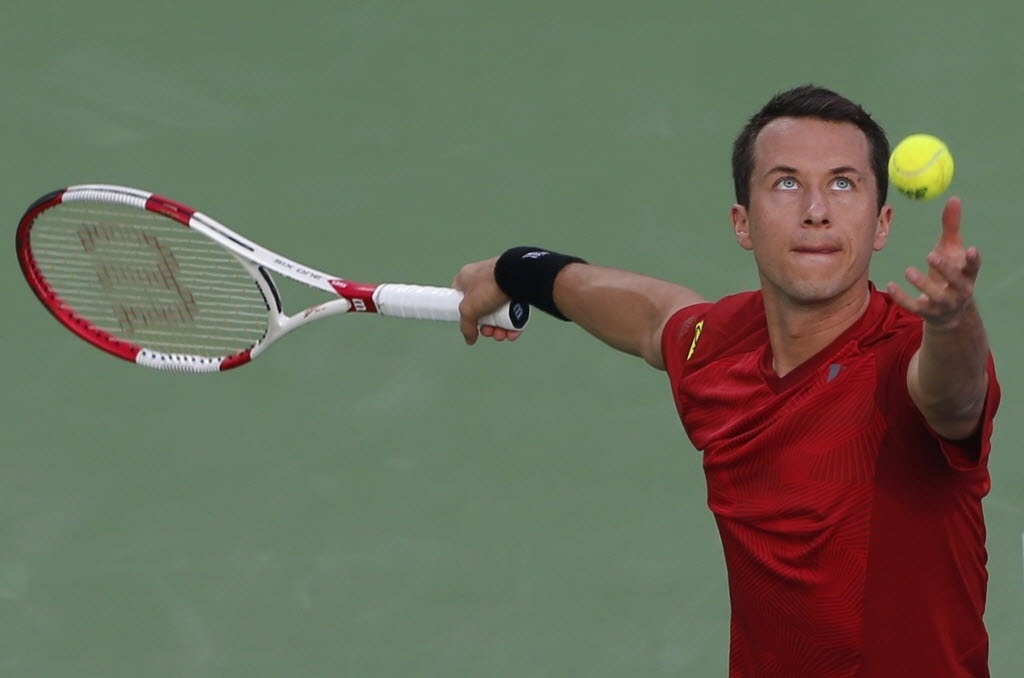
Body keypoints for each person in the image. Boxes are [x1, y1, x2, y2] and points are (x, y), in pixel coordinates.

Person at [452, 85, 1000, 677]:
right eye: (786, 182)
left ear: (882, 223)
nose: (816, 209)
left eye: (843, 183)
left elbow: (955, 395)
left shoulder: (905, 358)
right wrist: (518, 269)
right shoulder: (716, 349)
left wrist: (952, 322)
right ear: (743, 222)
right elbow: (649, 316)